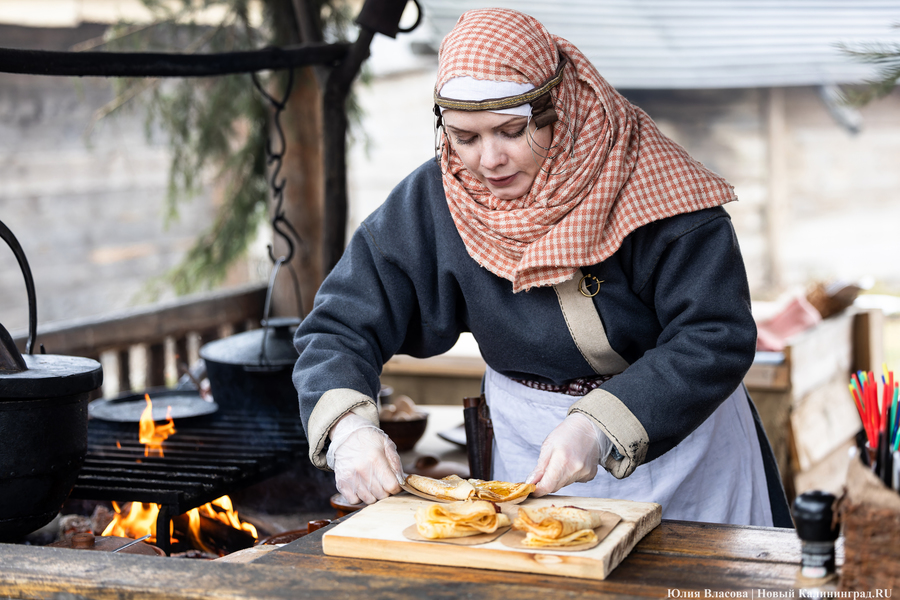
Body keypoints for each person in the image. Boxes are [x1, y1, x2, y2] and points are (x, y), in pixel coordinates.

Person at [292, 8, 792, 527]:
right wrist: (349, 429)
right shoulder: (435, 200)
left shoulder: (658, 190)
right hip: (523, 445)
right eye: (465, 137)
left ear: (559, 107)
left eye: (511, 130)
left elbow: (715, 333)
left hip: (682, 452)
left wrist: (598, 426)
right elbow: (338, 327)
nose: (489, 160)